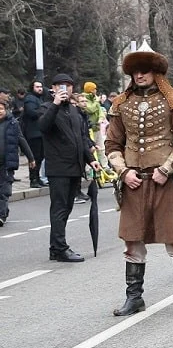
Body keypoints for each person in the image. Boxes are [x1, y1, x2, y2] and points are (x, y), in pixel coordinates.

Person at [105, 47, 173, 316]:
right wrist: (124, 172)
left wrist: (167, 169)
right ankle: (134, 298)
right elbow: (112, 143)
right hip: (134, 182)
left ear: (156, 73)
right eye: (135, 71)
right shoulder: (121, 104)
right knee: (132, 242)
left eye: (144, 70)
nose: (139, 75)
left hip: (166, 182)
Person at [38, 73, 99, 262]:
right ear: (54, 89)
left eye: (68, 85)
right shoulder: (46, 108)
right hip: (58, 168)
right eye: (60, 86)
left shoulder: (74, 111)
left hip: (75, 166)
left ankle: (56, 247)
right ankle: (60, 247)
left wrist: (91, 159)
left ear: (73, 89)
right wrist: (55, 104)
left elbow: (81, 138)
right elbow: (43, 127)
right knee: (59, 208)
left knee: (67, 207)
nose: (65, 88)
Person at [0, 98, 34, 227]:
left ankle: (1, 215)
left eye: (1, 109)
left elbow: (21, 140)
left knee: (4, 190)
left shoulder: (12, 123)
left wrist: (31, 158)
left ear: (6, 110)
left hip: (6, 163)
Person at [22, 80, 47, 187]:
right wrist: (44, 111)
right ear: (32, 87)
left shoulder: (39, 99)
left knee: (40, 156)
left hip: (40, 132)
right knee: (35, 157)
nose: (40, 89)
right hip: (33, 132)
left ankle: (37, 178)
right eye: (37, 87)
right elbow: (31, 112)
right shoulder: (30, 99)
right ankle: (33, 179)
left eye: (41, 86)